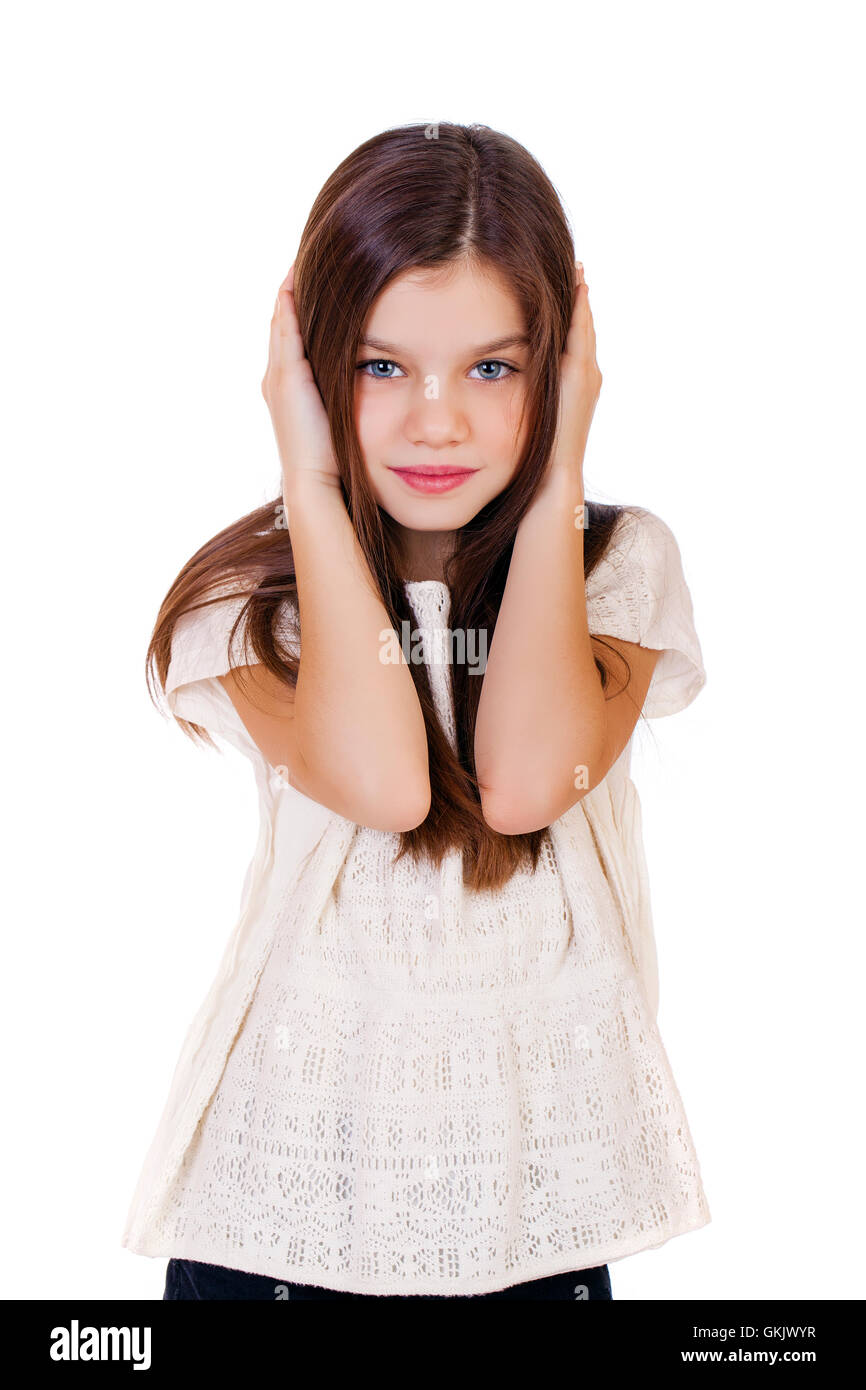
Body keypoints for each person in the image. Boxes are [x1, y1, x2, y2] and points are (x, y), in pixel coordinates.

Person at [122, 122, 710, 1301]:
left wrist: (556, 473)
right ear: (313, 361)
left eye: (492, 368)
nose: (434, 420)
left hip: (532, 1216)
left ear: (558, 367)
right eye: (380, 367)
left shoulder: (613, 566)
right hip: (277, 1219)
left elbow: (529, 782)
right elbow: (388, 785)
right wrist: (307, 473)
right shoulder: (253, 606)